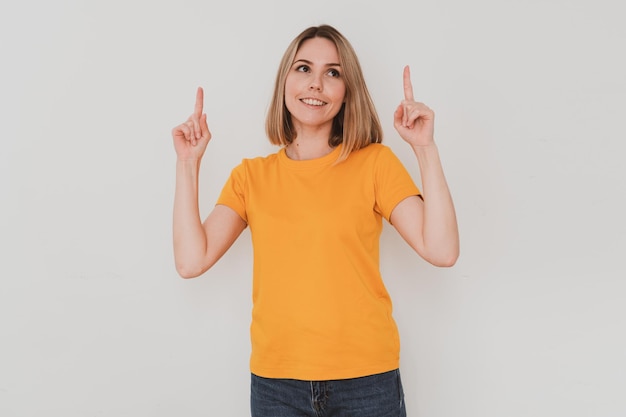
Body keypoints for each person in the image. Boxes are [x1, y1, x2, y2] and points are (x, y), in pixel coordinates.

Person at [172, 24, 459, 417]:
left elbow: (442, 250)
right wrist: (188, 165)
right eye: (303, 68)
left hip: (367, 382)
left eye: (333, 73)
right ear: (285, 81)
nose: (316, 84)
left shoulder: (374, 163)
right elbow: (191, 261)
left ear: (346, 91)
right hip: (277, 387)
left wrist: (425, 149)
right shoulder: (251, 177)